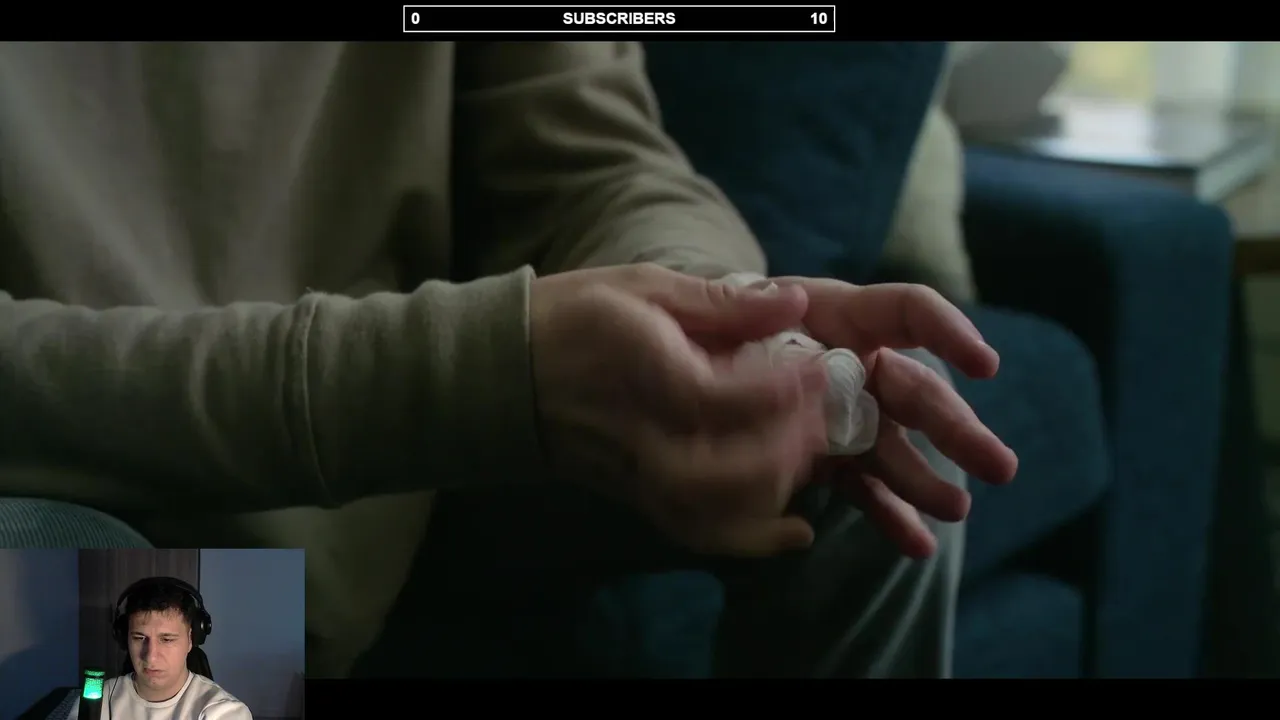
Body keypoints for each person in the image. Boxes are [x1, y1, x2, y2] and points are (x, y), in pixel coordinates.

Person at [0, 42, 1017, 677]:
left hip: (389, 495)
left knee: (859, 432)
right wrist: (475, 374)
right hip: (71, 488)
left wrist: (710, 313)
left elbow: (597, 159)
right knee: (84, 577)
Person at [69, 577, 251, 720]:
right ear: (124, 638)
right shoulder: (97, 701)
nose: (151, 657)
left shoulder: (224, 712)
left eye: (167, 639)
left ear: (191, 639)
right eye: (139, 638)